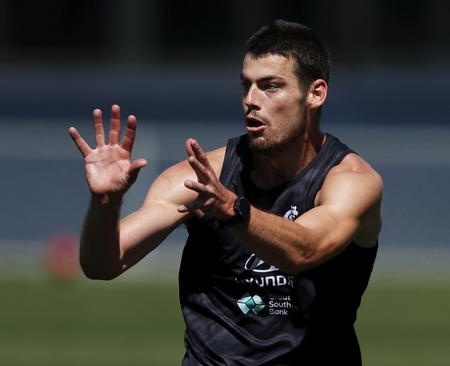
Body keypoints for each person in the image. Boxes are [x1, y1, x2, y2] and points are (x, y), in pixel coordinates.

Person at [68, 19, 382, 365]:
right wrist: (105, 202)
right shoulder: (200, 178)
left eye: (271, 86)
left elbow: (306, 249)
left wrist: (233, 209)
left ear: (315, 93)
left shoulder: (350, 181)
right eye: (246, 86)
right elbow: (103, 264)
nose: (251, 100)